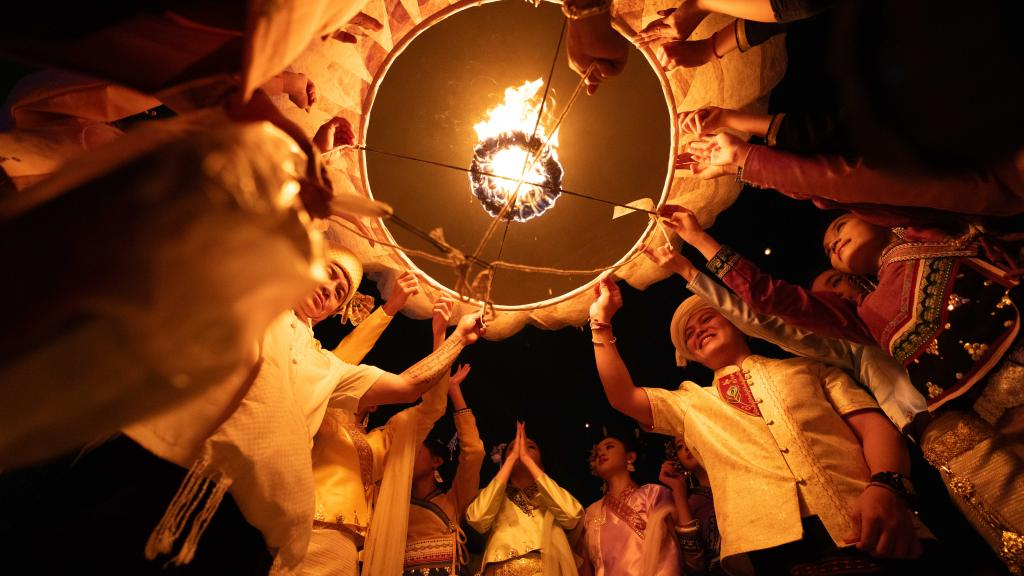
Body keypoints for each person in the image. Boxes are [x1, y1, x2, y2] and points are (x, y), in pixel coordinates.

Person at [0, 244, 486, 576]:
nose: (331, 289)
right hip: (162, 463)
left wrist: (458, 339)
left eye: (341, 291)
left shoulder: (328, 366)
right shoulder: (254, 298)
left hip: (244, 514)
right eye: (328, 273)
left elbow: (407, 386)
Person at [658, 204, 1024, 572]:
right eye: (820, 307)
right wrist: (690, 261)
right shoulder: (858, 333)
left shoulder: (931, 244)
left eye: (834, 283)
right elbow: (767, 312)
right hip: (946, 432)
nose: (834, 243)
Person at [588, 276, 935, 575]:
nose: (699, 331)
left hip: (867, 518)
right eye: (689, 335)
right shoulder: (690, 402)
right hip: (771, 550)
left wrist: (886, 486)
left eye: (707, 318)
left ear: (738, 323)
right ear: (691, 356)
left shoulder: (808, 368)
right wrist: (600, 324)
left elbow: (873, 427)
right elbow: (623, 397)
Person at [466, 422, 584, 576]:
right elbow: (477, 519)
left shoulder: (552, 495)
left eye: (530, 447)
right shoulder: (492, 495)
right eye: (512, 448)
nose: (520, 450)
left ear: (542, 464)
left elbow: (572, 516)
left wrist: (527, 461)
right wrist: (510, 461)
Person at [403, 363, 485, 576]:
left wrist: (454, 390)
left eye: (417, 451)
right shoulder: (391, 502)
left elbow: (474, 453)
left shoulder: (454, 500)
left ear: (436, 461)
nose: (408, 457)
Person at [580, 430, 681, 575]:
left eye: (609, 447)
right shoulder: (590, 513)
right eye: (596, 453)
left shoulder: (652, 494)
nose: (601, 454)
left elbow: (669, 556)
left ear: (630, 457)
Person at [660, 437, 721, 576]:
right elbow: (695, 565)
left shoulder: (738, 481)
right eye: (680, 446)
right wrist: (678, 490)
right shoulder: (690, 505)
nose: (686, 448)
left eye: (691, 438)